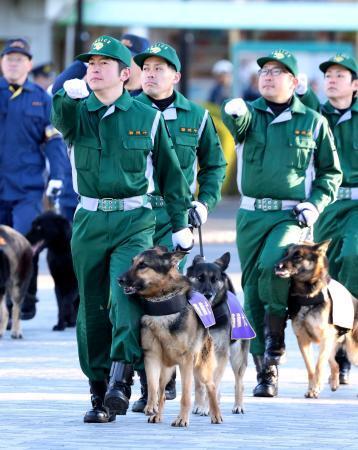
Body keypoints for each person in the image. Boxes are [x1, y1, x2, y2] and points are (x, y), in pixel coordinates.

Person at [51, 35, 193, 424]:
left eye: (104, 63)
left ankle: (119, 379)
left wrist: (180, 223)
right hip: (90, 219)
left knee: (124, 293)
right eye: (90, 63)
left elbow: (170, 174)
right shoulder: (77, 111)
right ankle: (98, 391)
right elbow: (58, 115)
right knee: (92, 309)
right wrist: (67, 91)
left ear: (124, 74)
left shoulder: (146, 118)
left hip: (134, 220)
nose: (93, 69)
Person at [221, 49, 342, 398]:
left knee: (273, 265)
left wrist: (315, 205)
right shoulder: (248, 113)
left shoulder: (313, 121)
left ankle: (275, 340)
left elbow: (330, 173)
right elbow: (235, 121)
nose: (269, 77)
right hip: (250, 214)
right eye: (264, 72)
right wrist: (234, 109)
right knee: (253, 284)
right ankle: (265, 369)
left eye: (278, 72)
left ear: (294, 81)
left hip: (291, 215)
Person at [130, 42, 227, 412]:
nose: (151, 73)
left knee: (174, 300)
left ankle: (172, 377)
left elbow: (214, 166)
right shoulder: (127, 110)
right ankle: (140, 383)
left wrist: (205, 202)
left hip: (176, 223)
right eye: (147, 67)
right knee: (132, 299)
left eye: (159, 68)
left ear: (176, 76)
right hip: (136, 217)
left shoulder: (196, 116)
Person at [0, 38, 67, 319]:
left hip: (27, 187)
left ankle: (26, 296)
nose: (14, 63)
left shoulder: (42, 98)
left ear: (28, 64)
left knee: (26, 242)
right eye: (9, 58)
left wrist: (59, 175)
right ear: (2, 63)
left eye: (20, 59)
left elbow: (53, 141)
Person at [312, 54, 358, 385]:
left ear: (355, 85)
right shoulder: (313, 117)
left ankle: (346, 345)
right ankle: (336, 347)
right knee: (328, 274)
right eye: (328, 74)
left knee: (353, 258)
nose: (332, 79)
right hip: (326, 205)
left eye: (340, 75)